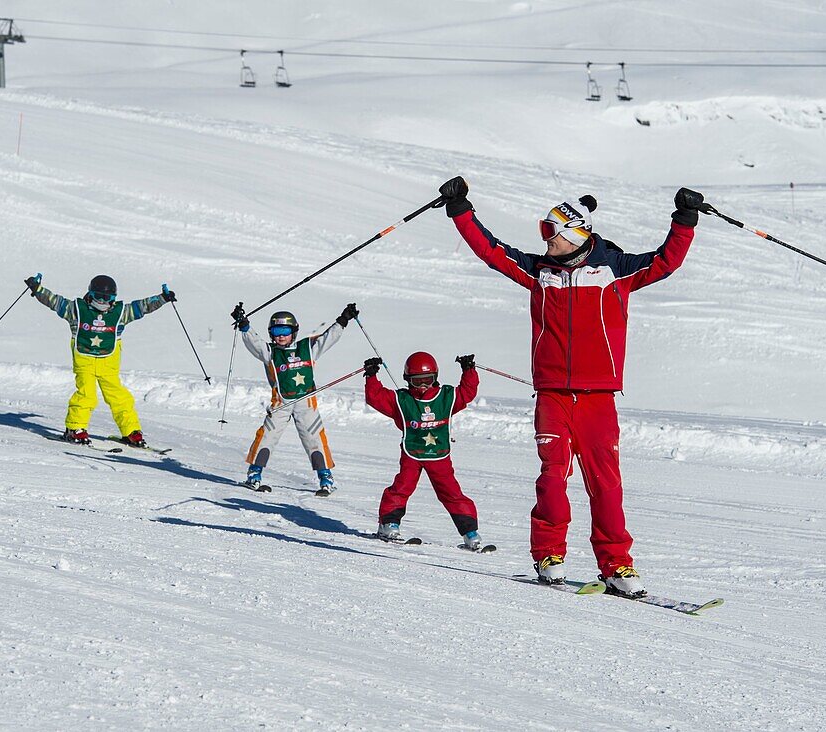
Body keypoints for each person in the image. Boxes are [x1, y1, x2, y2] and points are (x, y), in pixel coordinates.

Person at [436, 176, 704, 597]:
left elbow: (666, 261)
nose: (543, 239)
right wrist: (460, 210)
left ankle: (617, 564)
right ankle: (548, 554)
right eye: (542, 230)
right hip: (553, 395)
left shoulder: (615, 271)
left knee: (606, 484)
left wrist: (684, 219)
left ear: (575, 233)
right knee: (553, 476)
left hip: (599, 396)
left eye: (550, 231)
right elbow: (491, 250)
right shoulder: (539, 273)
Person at [25, 273, 175, 447]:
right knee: (86, 395)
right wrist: (37, 289)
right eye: (99, 297)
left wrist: (162, 298)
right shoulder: (76, 311)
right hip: (85, 362)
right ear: (90, 294)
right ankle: (75, 428)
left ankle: (131, 431)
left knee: (120, 397)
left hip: (108, 364)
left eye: (108, 298)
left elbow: (142, 307)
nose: (103, 302)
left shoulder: (121, 314)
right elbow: (54, 301)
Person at [231, 302, 358, 494]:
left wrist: (342, 320)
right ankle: (254, 474)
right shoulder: (270, 353)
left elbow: (327, 339)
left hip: (306, 402)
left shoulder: (307, 347)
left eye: (285, 330)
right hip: (281, 403)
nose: (281, 335)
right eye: (276, 331)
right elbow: (254, 343)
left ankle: (326, 478)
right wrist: (244, 326)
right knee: (266, 437)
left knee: (314, 438)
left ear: (294, 332)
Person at [365, 352, 485, 550]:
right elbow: (375, 398)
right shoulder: (401, 400)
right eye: (417, 381)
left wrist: (469, 370)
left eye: (427, 380)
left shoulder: (446, 396)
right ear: (407, 380)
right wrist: (371, 377)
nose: (423, 386)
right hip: (412, 455)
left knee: (451, 493)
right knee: (402, 488)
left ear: (435, 378)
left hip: (439, 456)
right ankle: (389, 524)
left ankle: (470, 532)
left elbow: (467, 392)